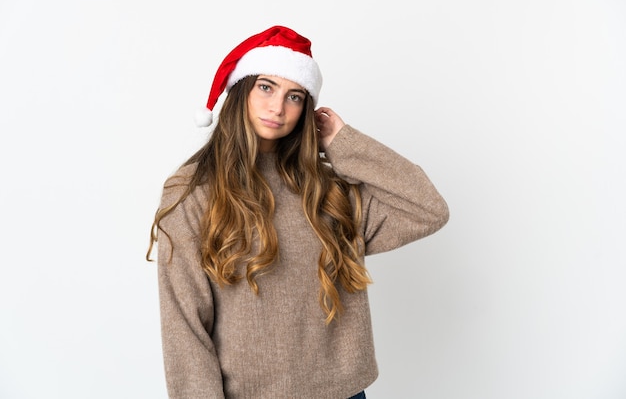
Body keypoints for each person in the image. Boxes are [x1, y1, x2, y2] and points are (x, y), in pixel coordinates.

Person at [147, 25, 449, 399]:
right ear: (241, 89)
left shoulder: (327, 189)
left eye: (295, 96)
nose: (278, 107)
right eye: (266, 87)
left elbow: (428, 208)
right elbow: (185, 327)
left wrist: (345, 143)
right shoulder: (193, 191)